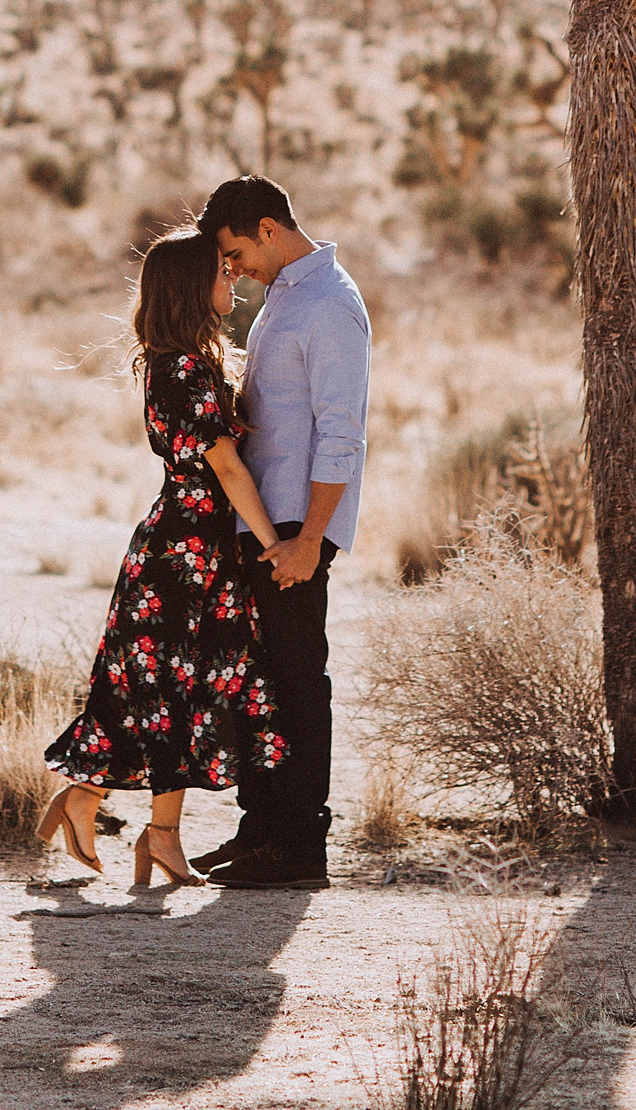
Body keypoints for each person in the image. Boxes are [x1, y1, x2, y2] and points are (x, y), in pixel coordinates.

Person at [39, 226, 289, 887]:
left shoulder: (171, 362)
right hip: (187, 554)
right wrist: (277, 546)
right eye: (219, 270)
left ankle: (86, 799)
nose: (230, 277)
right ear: (188, 287)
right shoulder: (182, 369)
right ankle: (158, 835)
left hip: (183, 547)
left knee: (157, 689)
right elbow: (229, 471)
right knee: (179, 692)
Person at [189, 174, 370, 890]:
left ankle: (301, 848)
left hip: (299, 522)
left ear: (269, 228)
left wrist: (309, 540)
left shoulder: (329, 305)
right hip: (266, 521)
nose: (232, 270)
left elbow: (340, 434)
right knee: (259, 682)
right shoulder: (284, 299)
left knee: (297, 682)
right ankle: (259, 831)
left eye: (235, 253)